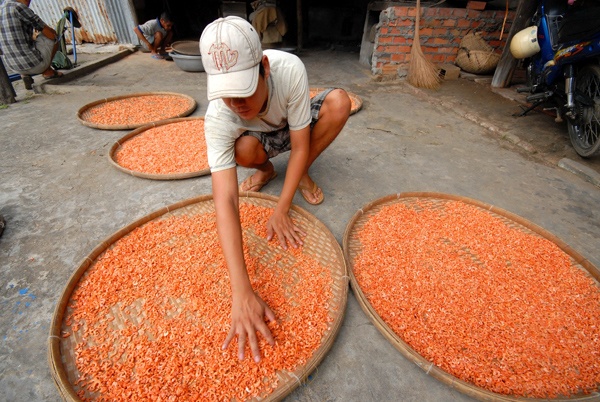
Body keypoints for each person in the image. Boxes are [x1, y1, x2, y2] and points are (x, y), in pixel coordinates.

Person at [199, 16, 351, 363]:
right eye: (226, 94)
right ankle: (267, 170)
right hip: (259, 138)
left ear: (264, 68)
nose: (236, 103)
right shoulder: (220, 117)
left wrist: (281, 208)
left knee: (340, 102)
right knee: (242, 151)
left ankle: (303, 173)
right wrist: (241, 290)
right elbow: (225, 199)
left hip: (294, 126)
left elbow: (299, 145)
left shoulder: (289, 70)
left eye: (244, 89)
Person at [0, 0, 63, 85]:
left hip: (13, 67)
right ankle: (48, 72)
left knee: (19, 44)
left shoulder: (2, 8)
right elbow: (50, 34)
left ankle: (24, 75)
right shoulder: (19, 7)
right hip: (35, 65)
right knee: (52, 36)